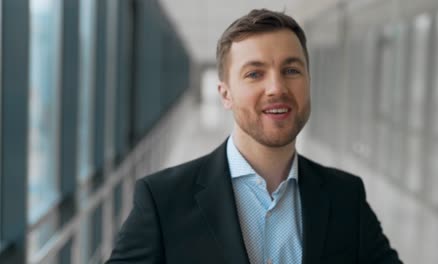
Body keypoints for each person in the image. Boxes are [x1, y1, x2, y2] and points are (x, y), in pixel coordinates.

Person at [106, 9, 403, 264]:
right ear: (225, 94)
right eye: (254, 74)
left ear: (308, 83)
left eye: (291, 70)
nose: (276, 88)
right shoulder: (163, 201)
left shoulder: (346, 198)